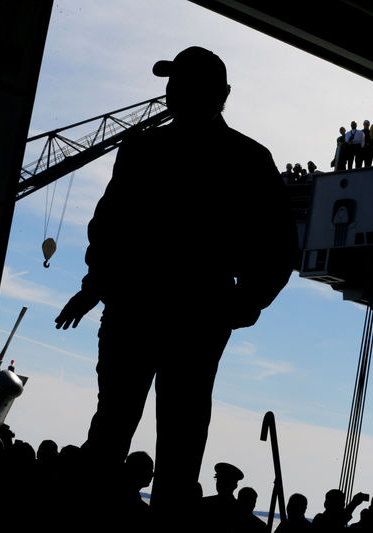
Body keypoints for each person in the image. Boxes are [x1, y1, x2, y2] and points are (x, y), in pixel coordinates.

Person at [54, 46, 298, 525]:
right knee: (176, 438)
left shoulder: (145, 150)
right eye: (172, 83)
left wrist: (96, 285)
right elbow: (279, 246)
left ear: (218, 95)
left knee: (118, 429)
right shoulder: (246, 159)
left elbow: (109, 226)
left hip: (139, 309)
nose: (171, 93)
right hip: (193, 314)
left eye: (180, 84)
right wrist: (245, 301)